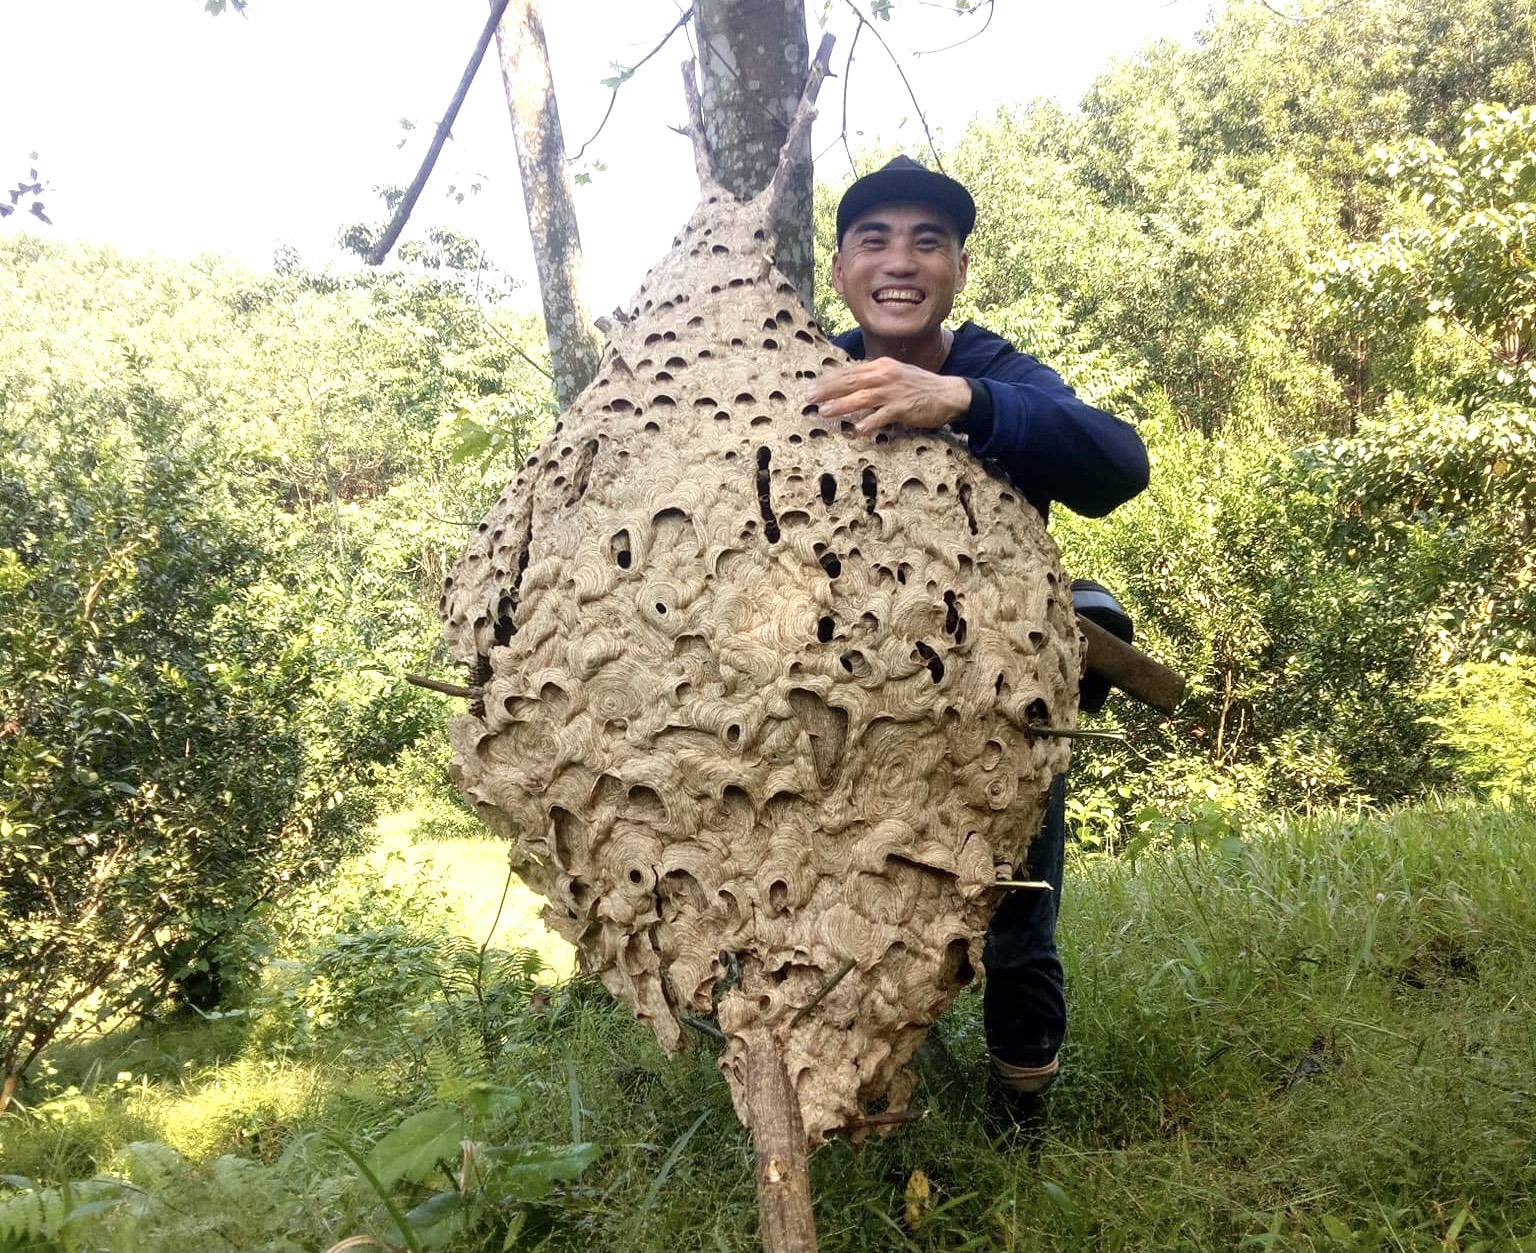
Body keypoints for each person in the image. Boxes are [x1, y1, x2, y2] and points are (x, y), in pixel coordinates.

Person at [807, 155, 1149, 1119]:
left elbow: (1119, 464)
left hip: (996, 705)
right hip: (846, 706)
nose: (900, 262)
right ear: (841, 269)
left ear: (958, 268)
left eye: (929, 242)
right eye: (875, 240)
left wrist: (960, 401)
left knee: (1016, 903)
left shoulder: (997, 370)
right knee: (841, 894)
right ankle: (850, 1092)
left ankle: (1019, 1106)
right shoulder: (807, 373)